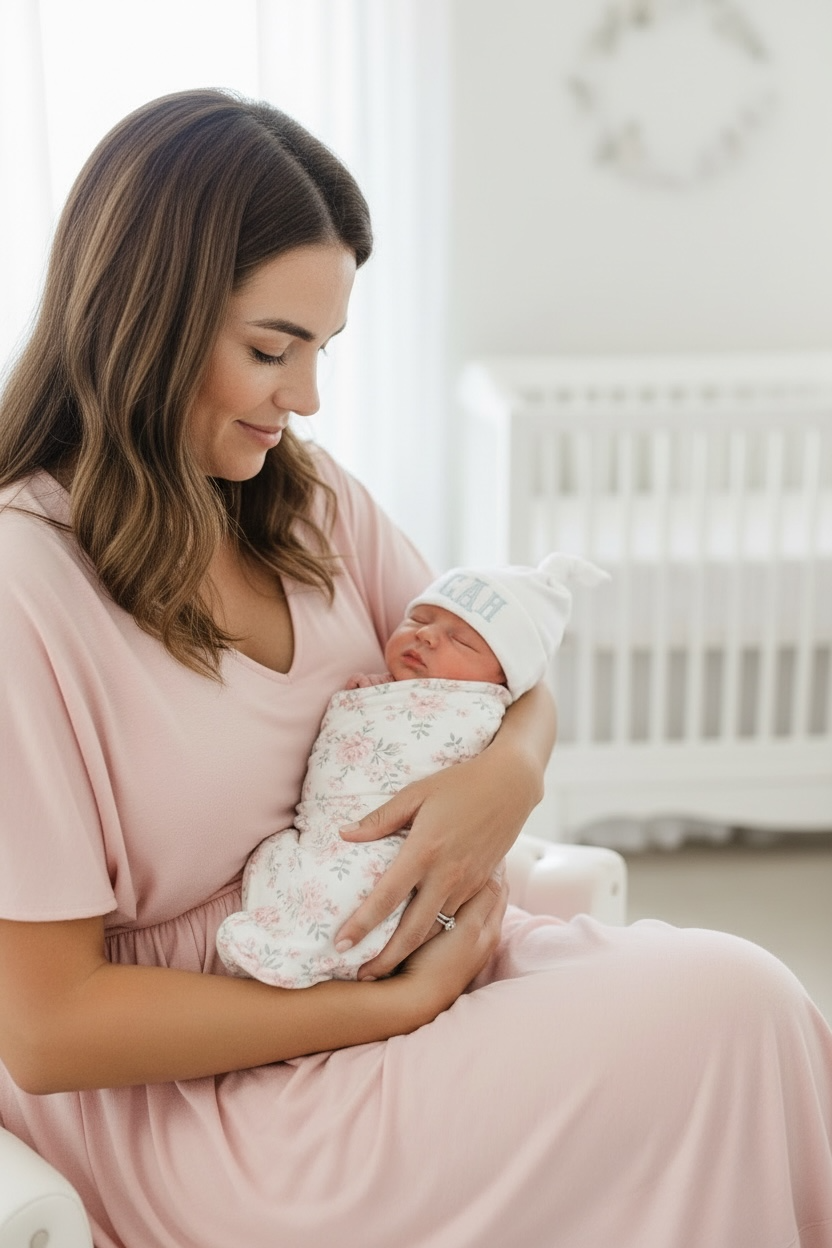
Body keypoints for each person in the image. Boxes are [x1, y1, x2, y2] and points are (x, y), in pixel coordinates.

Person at [0, 88, 831, 1248]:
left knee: (748, 1004)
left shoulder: (307, 499)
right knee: (707, 1026)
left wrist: (511, 779)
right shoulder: (23, 591)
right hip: (202, 1081)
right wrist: (378, 1006)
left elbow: (499, 672)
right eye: (269, 349)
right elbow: (46, 1033)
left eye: (323, 349)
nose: (305, 398)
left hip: (395, 967)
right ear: (144, 319)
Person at [216, 553, 609, 987]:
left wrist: (517, 771)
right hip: (329, 833)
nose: (426, 635)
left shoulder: (480, 706)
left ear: (502, 680)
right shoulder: (387, 684)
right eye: (419, 618)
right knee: (296, 864)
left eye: (462, 641)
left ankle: (321, 949)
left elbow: (533, 699)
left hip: (403, 849)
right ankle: (295, 941)